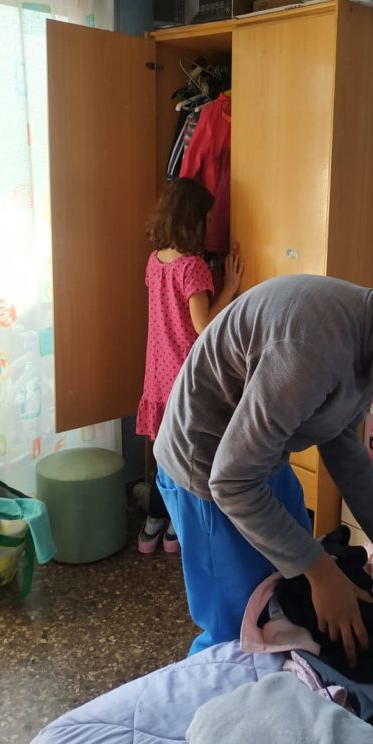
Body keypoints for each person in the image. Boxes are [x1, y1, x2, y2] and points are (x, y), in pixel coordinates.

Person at [155, 274, 373, 661]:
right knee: (238, 631)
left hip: (256, 459)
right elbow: (231, 480)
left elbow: (340, 437)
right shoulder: (314, 349)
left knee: (285, 598)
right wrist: (322, 571)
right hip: (207, 469)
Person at [135, 178, 244, 554]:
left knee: (162, 454)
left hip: (157, 375)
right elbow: (203, 326)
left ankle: (152, 525)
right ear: (193, 221)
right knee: (184, 457)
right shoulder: (192, 267)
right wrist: (229, 286)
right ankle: (176, 529)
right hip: (186, 375)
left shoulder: (155, 262)